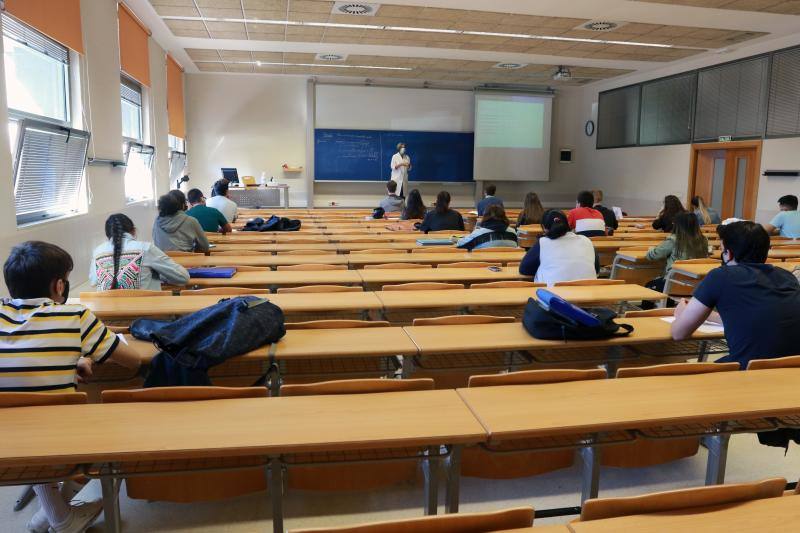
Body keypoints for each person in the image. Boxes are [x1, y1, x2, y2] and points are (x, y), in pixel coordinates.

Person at [1, 241, 141, 533]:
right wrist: (80, 354)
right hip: (59, 441)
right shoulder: (73, 316)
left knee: (27, 417)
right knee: (120, 435)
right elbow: (133, 361)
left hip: (8, 438)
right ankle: (61, 519)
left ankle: (55, 516)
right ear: (59, 285)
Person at [671, 221, 800, 369]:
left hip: (749, 371)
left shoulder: (720, 276)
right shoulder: (786, 276)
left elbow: (678, 334)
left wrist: (681, 314)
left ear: (728, 254)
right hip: (792, 369)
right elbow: (759, 315)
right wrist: (711, 317)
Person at [90, 214, 190, 291]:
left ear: (108, 236)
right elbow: (183, 277)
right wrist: (161, 275)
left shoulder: (97, 252)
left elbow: (93, 281)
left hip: (106, 316)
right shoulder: (145, 248)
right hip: (147, 316)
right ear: (133, 231)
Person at [519, 209, 599, 286]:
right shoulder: (586, 240)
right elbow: (597, 270)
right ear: (567, 224)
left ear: (544, 228)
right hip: (589, 296)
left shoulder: (543, 242)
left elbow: (524, 269)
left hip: (553, 297)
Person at [642, 212, 709, 299]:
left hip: (674, 283)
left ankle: (649, 311)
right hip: (696, 285)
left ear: (678, 225)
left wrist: (650, 248)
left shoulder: (673, 240)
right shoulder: (703, 240)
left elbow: (652, 256)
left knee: (649, 285)